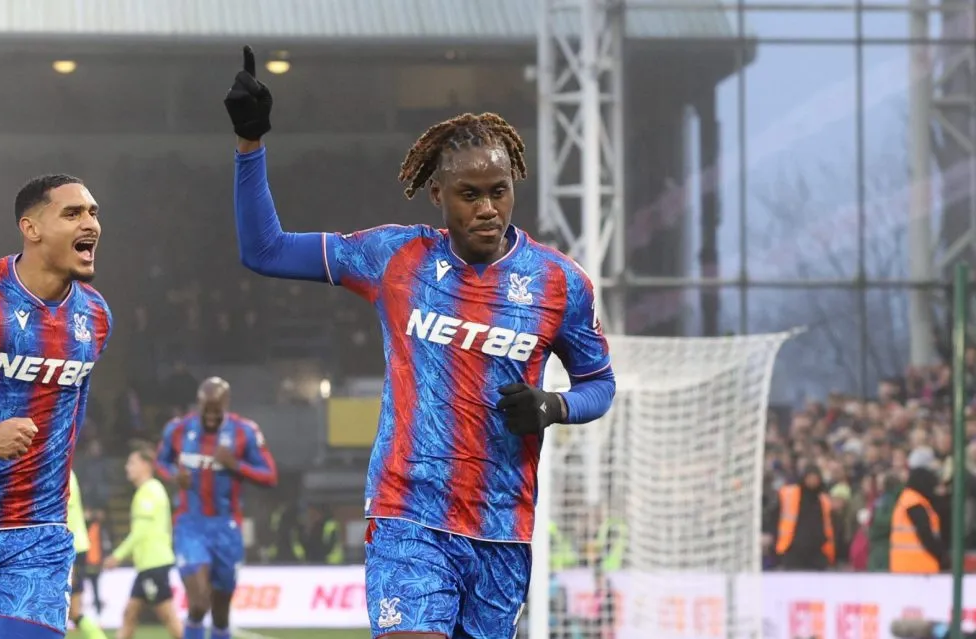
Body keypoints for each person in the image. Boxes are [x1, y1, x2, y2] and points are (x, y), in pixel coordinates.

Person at [224, 46, 616, 639]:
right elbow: (266, 250)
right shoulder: (396, 257)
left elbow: (600, 384)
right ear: (437, 194)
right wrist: (250, 147)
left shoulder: (560, 281)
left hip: (501, 529)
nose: (488, 209)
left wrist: (553, 406)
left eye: (500, 191)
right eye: (469, 194)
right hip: (409, 515)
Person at [0, 174, 112, 638]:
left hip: (34, 533)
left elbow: (70, 411)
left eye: (93, 213)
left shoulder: (96, 315)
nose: (91, 223)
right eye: (73, 213)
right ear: (31, 228)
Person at [155, 377, 278, 639]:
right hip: (190, 525)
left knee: (221, 614)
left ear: (226, 405)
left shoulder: (245, 431)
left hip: (227, 528)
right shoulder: (178, 429)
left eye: (216, 410)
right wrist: (175, 475)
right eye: (206, 409)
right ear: (198, 404)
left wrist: (236, 465)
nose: (210, 416)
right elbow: (161, 462)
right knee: (199, 603)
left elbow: (269, 476)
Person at [103, 442, 183, 639]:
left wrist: (117, 555)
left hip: (154, 563)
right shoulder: (148, 490)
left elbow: (141, 531)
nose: (127, 467)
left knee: (168, 616)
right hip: (147, 565)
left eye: (132, 463)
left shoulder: (150, 491)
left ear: (146, 466)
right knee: (130, 613)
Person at [66, 470, 109, 639]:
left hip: (71, 548)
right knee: (71, 611)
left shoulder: (63, 471)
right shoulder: (65, 470)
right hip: (73, 547)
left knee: (69, 610)